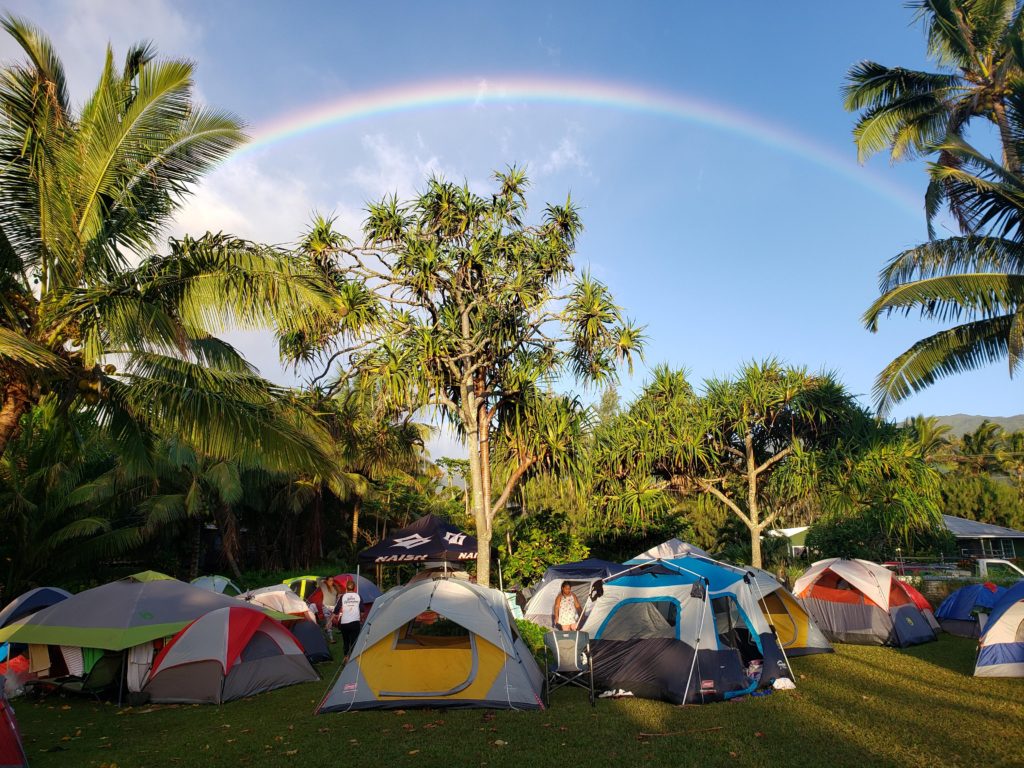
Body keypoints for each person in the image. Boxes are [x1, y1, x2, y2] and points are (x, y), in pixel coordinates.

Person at [338, 580, 362, 663]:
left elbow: (336, 610)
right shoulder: (358, 596)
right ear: (354, 588)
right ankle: (353, 658)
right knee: (354, 641)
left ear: (346, 587)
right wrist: (360, 618)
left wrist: (329, 621)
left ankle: (346, 657)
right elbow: (362, 611)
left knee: (346, 641)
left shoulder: (343, 597)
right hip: (355, 622)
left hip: (344, 623)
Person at [319, 576, 342, 643]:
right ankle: (331, 638)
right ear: (327, 581)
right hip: (326, 606)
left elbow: (335, 596)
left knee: (338, 618)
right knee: (329, 621)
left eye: (332, 580)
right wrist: (324, 580)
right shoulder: (324, 587)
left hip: (333, 607)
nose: (331, 582)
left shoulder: (334, 588)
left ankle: (327, 630)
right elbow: (318, 579)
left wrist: (339, 596)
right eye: (330, 580)